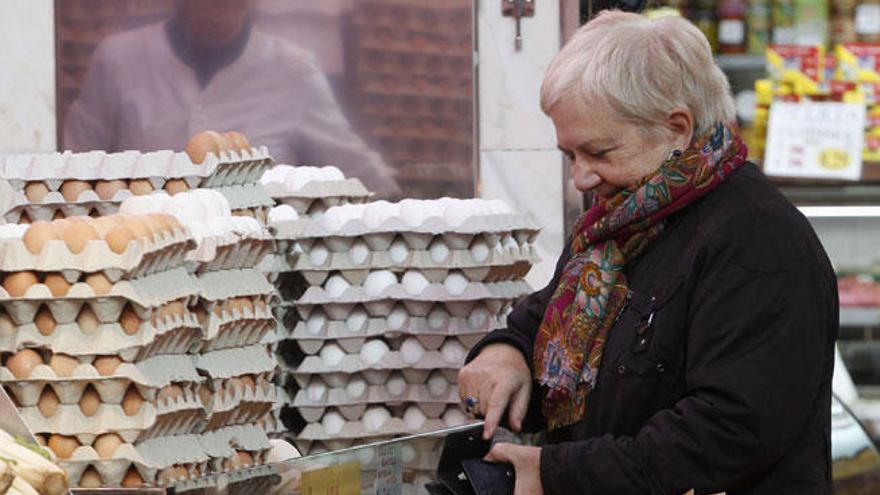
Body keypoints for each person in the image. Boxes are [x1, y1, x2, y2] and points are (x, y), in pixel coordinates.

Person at [458, 11, 837, 495]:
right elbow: (545, 321)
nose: (581, 178)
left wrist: (556, 474)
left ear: (677, 128)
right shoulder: (619, 225)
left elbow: (729, 432)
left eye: (598, 152)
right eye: (570, 155)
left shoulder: (759, 240)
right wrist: (505, 353)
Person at [63, 0, 400, 197]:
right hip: (141, 282)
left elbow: (363, 175)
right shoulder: (121, 60)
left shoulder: (292, 72)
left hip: (256, 289)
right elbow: (74, 176)